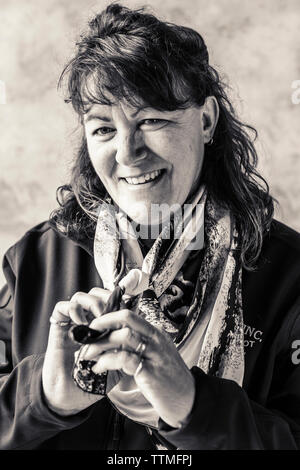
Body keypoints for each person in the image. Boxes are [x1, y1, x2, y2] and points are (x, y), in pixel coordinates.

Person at [0, 3, 300, 450]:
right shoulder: (33, 261)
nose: (127, 153)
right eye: (103, 129)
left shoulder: (289, 274)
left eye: (152, 120)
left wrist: (197, 407)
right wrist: (42, 400)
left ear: (206, 120)